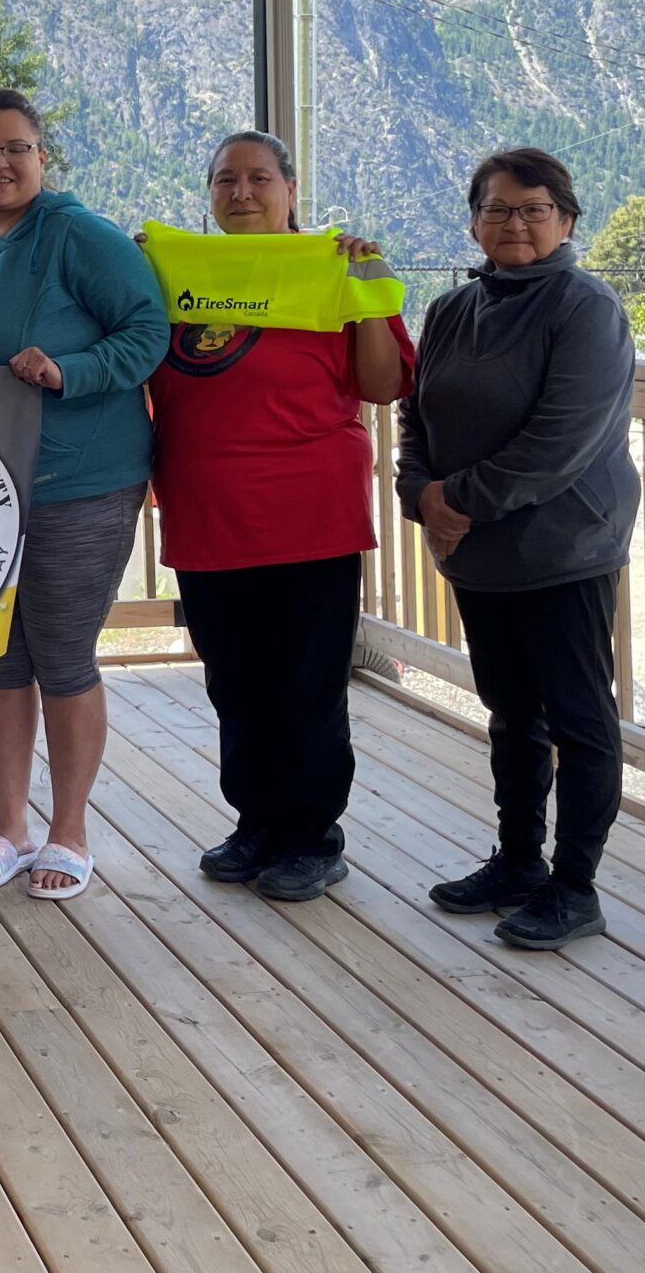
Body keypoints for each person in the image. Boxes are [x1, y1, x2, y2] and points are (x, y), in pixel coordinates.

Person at [0, 89, 168, 899]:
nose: (0, 163)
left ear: (42, 157)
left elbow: (147, 330)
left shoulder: (80, 236)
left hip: (78, 479)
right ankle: (10, 826)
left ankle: (71, 831)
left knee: (62, 652)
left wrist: (69, 372)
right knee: (1, 655)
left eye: (15, 148)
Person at [150, 131, 412, 903]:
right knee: (234, 681)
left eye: (259, 178)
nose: (242, 193)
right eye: (225, 180)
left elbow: (384, 384)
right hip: (207, 513)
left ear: (290, 189)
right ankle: (256, 823)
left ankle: (312, 835)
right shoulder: (178, 274)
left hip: (309, 516)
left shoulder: (334, 264)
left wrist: (366, 290)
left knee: (310, 683)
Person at [399, 147, 638, 951]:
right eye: (498, 209)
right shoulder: (451, 310)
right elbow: (416, 417)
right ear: (474, 221)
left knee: (578, 717)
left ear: (566, 222)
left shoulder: (586, 308)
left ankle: (576, 886)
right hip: (480, 555)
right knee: (511, 715)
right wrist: (419, 493)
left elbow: (562, 439)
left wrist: (456, 502)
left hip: (566, 548)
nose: (516, 224)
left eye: (535, 210)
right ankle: (517, 863)